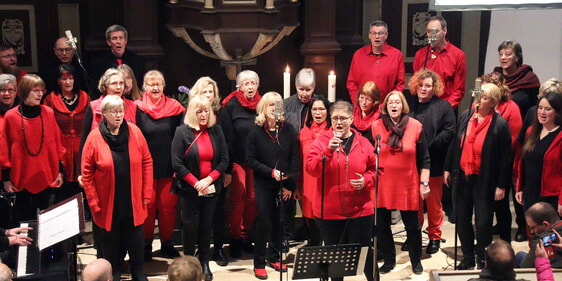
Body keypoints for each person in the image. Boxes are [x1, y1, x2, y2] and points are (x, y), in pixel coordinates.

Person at [81, 95, 153, 281]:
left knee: (137, 257)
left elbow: (147, 161)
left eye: (121, 110)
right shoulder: (94, 138)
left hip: (133, 204)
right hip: (107, 208)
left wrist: (146, 194)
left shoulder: (135, 132)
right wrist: (94, 204)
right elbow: (87, 174)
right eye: (113, 111)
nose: (118, 115)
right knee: (112, 260)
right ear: (104, 114)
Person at [307, 100, 377, 281]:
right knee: (335, 258)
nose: (338, 122)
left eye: (343, 118)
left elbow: (376, 169)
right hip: (329, 211)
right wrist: (327, 152)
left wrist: (367, 180)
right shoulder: (321, 141)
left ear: (351, 119)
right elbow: (311, 169)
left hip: (360, 209)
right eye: (335, 118)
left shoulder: (363, 142)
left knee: (364, 251)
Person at [444, 83, 512, 269]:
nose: (478, 99)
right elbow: (455, 144)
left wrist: (501, 185)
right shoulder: (467, 117)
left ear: (492, 102)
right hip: (463, 176)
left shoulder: (500, 125)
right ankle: (467, 256)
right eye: (478, 95)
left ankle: (482, 257)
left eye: (483, 97)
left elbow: (506, 159)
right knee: (461, 218)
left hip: (485, 180)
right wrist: (448, 168)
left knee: (482, 222)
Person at [371, 91, 430, 274]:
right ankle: (389, 261)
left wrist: (424, 183)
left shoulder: (415, 126)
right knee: (382, 225)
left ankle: (415, 260)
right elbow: (370, 155)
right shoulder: (376, 126)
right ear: (386, 106)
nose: (394, 105)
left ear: (403, 105)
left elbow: (425, 158)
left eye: (397, 102)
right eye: (390, 103)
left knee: (412, 226)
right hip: (382, 184)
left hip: (408, 183)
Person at [171, 95, 228, 281]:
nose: (203, 115)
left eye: (206, 111)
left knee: (206, 226)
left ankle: (204, 262)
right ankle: (188, 264)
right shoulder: (182, 132)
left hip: (211, 188)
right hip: (189, 189)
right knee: (189, 226)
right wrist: (196, 182)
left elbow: (224, 160)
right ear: (192, 113)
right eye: (199, 111)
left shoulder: (217, 131)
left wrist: (209, 180)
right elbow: (177, 163)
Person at [246, 92, 300, 279]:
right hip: (263, 182)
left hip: (284, 183)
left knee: (280, 220)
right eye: (270, 105)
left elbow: (294, 158)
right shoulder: (256, 131)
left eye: (277, 105)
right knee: (265, 220)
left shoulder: (288, 129)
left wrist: (289, 185)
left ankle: (274, 256)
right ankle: (259, 262)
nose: (274, 109)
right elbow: (250, 160)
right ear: (263, 107)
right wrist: (270, 172)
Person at [136, 70, 185, 261]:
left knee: (168, 208)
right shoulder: (137, 108)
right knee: (147, 208)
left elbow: (181, 139)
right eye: (150, 84)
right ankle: (146, 245)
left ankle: (167, 244)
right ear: (144, 87)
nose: (155, 87)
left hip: (169, 166)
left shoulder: (176, 108)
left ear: (164, 86)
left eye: (158, 84)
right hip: (145, 168)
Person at [3, 74, 65, 222]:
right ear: (24, 91)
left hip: (46, 176)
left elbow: (57, 144)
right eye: (35, 90)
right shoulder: (11, 116)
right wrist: (6, 178)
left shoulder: (48, 113)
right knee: (23, 220)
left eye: (41, 90)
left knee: (46, 221)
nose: (40, 94)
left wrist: (60, 171)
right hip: (21, 179)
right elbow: (4, 150)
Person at [408, 70, 455, 255]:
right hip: (411, 163)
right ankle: (415, 235)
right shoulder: (409, 104)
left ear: (434, 88)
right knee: (414, 203)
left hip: (434, 161)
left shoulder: (443, 106)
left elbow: (449, 131)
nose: (423, 89)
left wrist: (427, 147)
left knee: (433, 203)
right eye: (421, 85)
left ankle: (434, 236)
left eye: (428, 86)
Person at [220, 70, 261, 258]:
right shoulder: (230, 105)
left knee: (252, 199)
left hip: (256, 160)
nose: (250, 87)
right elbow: (227, 137)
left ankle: (247, 236)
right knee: (240, 197)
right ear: (239, 86)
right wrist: (227, 168)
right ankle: (234, 238)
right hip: (237, 159)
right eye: (246, 84)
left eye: (253, 83)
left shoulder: (262, 103)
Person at [188, 76, 228, 266]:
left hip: (215, 178)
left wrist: (217, 176)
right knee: (193, 221)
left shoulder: (220, 120)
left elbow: (227, 149)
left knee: (216, 215)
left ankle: (216, 249)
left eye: (211, 92)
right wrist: (196, 181)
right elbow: (179, 158)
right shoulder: (187, 122)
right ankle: (195, 254)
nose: (208, 95)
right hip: (192, 182)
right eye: (204, 91)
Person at [480, 72, 523, 242]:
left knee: (505, 200)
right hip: (486, 163)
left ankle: (516, 230)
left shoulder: (511, 107)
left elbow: (512, 140)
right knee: (494, 201)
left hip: (507, 162)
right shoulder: (480, 107)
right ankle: (497, 226)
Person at [43, 64, 90, 203]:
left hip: (82, 146)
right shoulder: (51, 99)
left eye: (71, 78)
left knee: (83, 182)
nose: (68, 82)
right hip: (60, 148)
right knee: (63, 187)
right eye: (64, 79)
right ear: (58, 81)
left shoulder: (84, 96)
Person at [282, 68, 316, 251]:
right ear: (296, 87)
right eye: (301, 89)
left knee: (310, 201)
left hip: (311, 159)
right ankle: (285, 238)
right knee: (287, 201)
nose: (305, 93)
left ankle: (312, 236)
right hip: (290, 160)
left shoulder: (319, 103)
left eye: (308, 89)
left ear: (314, 88)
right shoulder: (286, 104)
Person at [516, 92, 562, 213]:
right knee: (532, 231)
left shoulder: (560, 136)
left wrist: (561, 201)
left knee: (548, 232)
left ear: (556, 112)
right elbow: (524, 162)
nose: (542, 112)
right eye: (540, 108)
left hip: (551, 198)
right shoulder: (531, 131)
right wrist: (520, 188)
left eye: (548, 109)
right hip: (530, 194)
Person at [295, 95, 331, 247]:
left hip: (327, 182)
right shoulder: (304, 132)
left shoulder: (333, 131)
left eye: (321, 109)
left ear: (328, 111)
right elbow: (299, 160)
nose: (318, 113)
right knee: (310, 215)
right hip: (308, 182)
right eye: (314, 109)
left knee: (325, 216)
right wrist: (297, 186)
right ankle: (314, 245)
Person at [412, 16, 466, 110]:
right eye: (429, 32)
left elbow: (458, 89)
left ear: (444, 31)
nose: (432, 35)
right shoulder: (420, 54)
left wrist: (445, 109)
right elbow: (416, 83)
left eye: (435, 31)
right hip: (423, 108)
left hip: (446, 108)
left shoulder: (457, 55)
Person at [347, 20, 405, 104]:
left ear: (386, 36)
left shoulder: (396, 55)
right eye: (374, 33)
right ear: (369, 35)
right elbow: (351, 82)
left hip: (386, 106)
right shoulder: (359, 54)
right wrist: (358, 102)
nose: (377, 36)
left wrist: (390, 102)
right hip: (362, 105)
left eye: (380, 33)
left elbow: (400, 84)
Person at [91, 25, 145, 99]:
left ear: (125, 41)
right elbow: (96, 88)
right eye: (114, 38)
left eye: (121, 38)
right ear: (109, 42)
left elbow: (141, 84)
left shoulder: (136, 60)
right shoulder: (99, 62)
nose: (118, 42)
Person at [493, 40, 541, 118]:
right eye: (501, 54)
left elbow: (535, 106)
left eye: (508, 54)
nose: (503, 57)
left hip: (521, 122)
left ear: (517, 58)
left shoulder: (528, 78)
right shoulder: (494, 78)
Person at [517, 202, 562, 268]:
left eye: (532, 227)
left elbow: (525, 266)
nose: (531, 231)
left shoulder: (541, 242)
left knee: (519, 256)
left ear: (545, 225)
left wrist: (535, 239)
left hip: (549, 274)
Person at [0, 74, 19, 171]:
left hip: (20, 167)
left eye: (10, 90)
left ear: (16, 92)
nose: (6, 93)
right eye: (2, 90)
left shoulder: (24, 112)